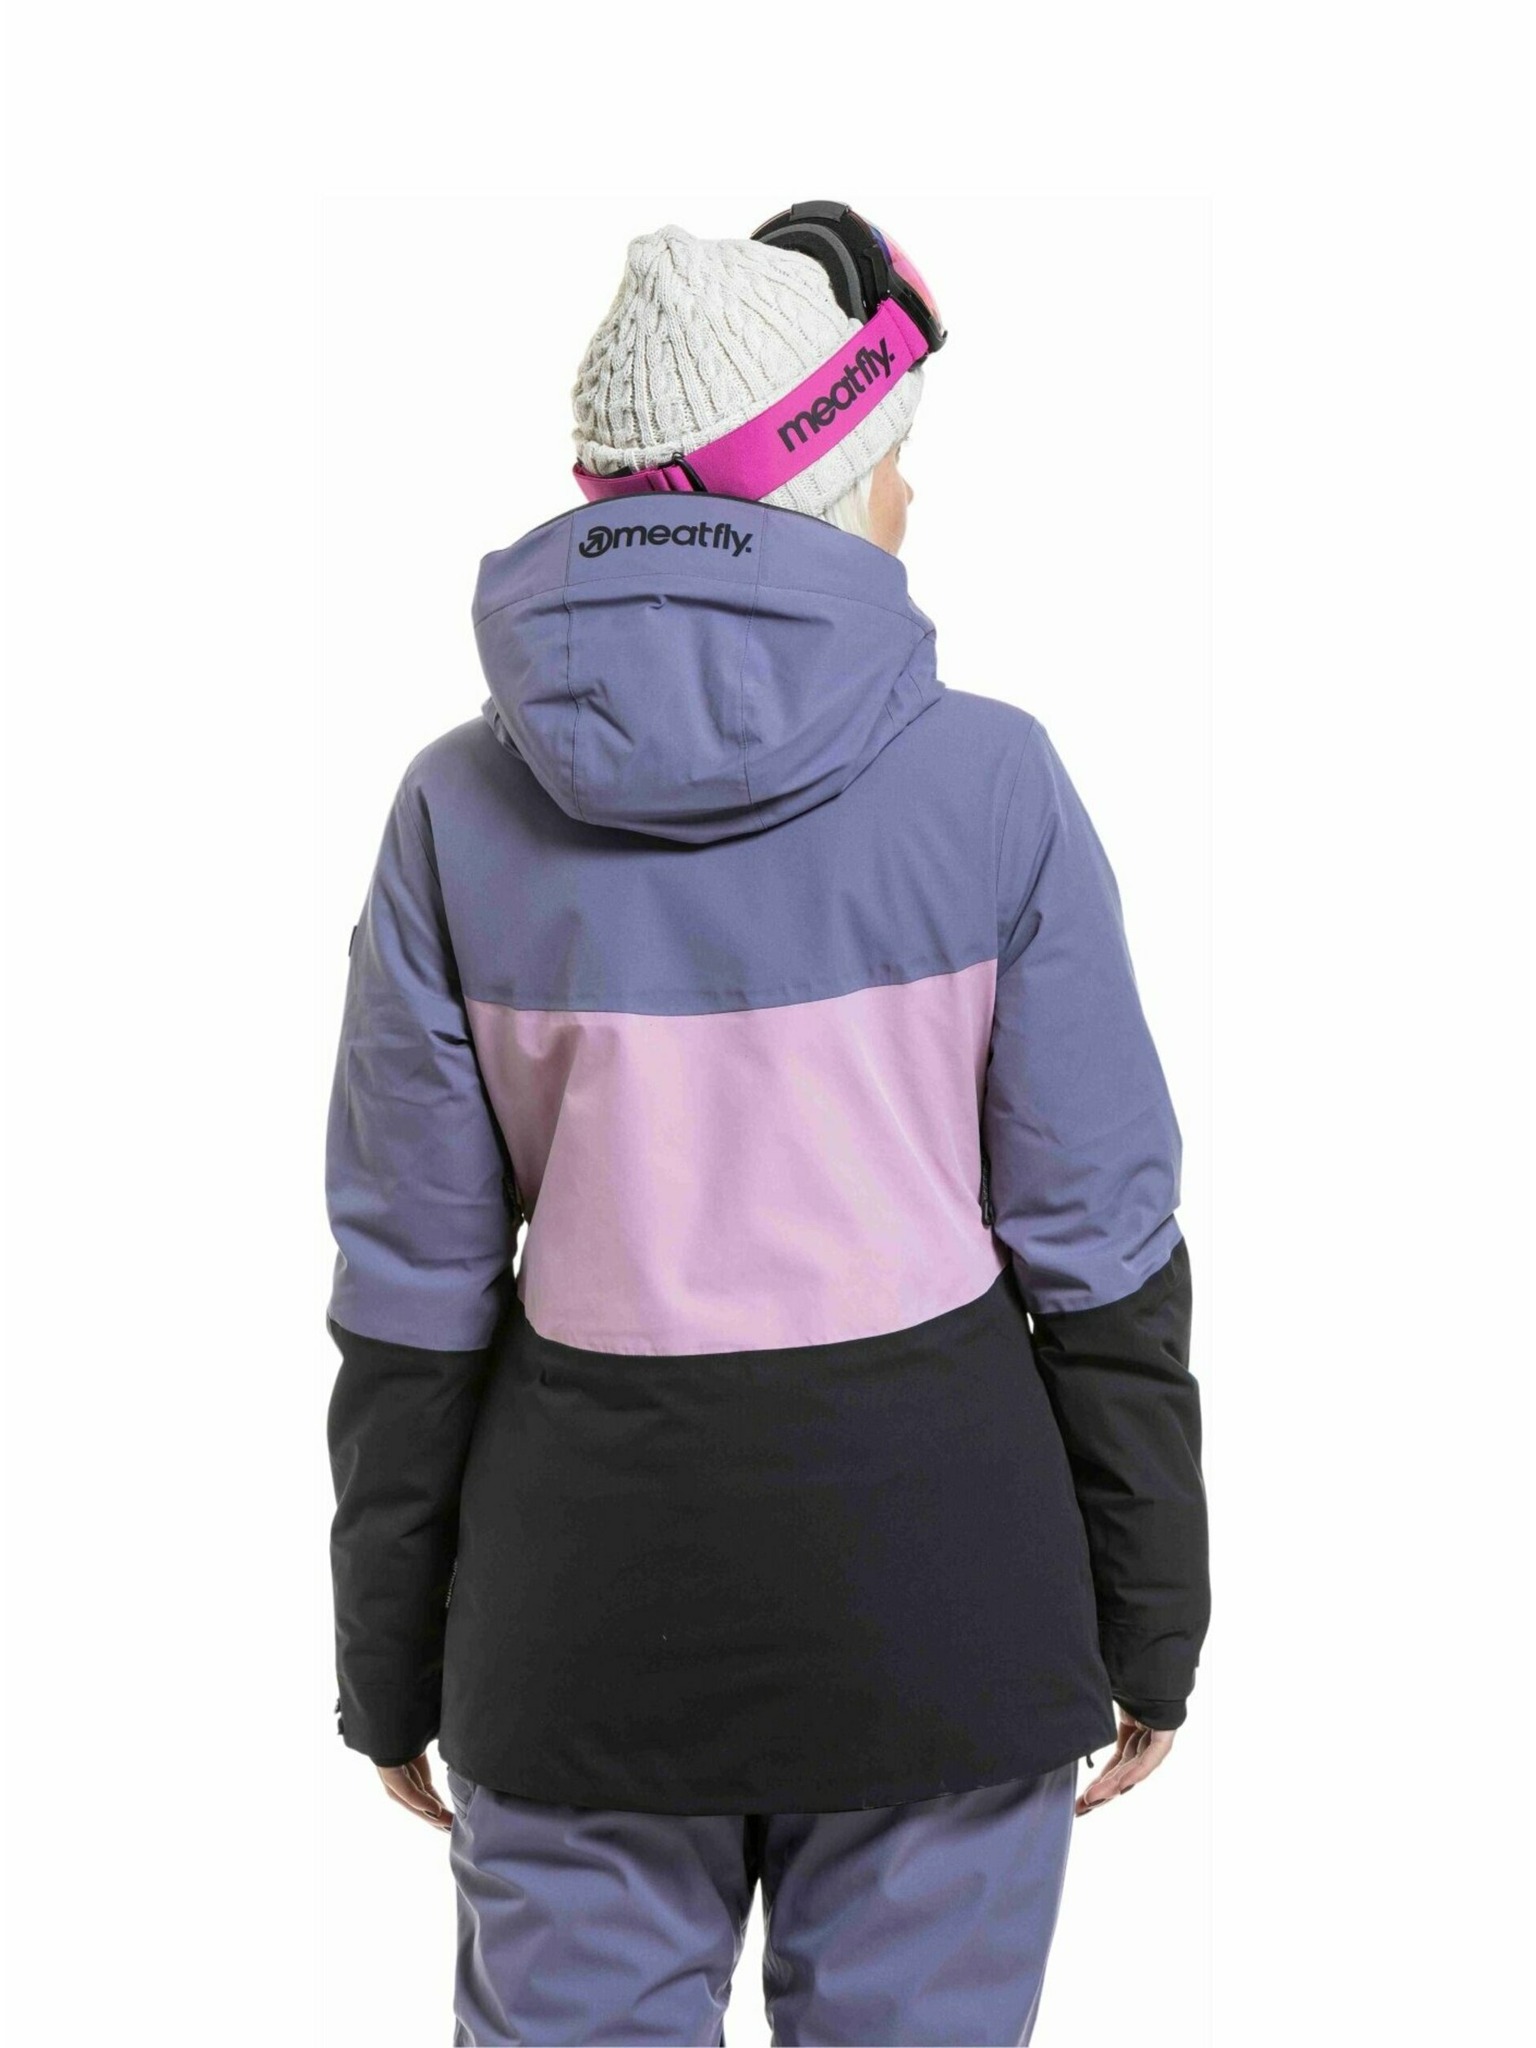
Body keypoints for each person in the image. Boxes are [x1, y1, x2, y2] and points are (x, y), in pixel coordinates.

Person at [323, 202, 1211, 2047]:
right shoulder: (994, 783)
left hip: (572, 1630)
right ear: (814, 482)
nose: (912, 497)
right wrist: (1152, 1617)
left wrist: (390, 1657)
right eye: (891, 460)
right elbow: (1102, 1244)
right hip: (947, 1613)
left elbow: (411, 1288)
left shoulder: (453, 814)